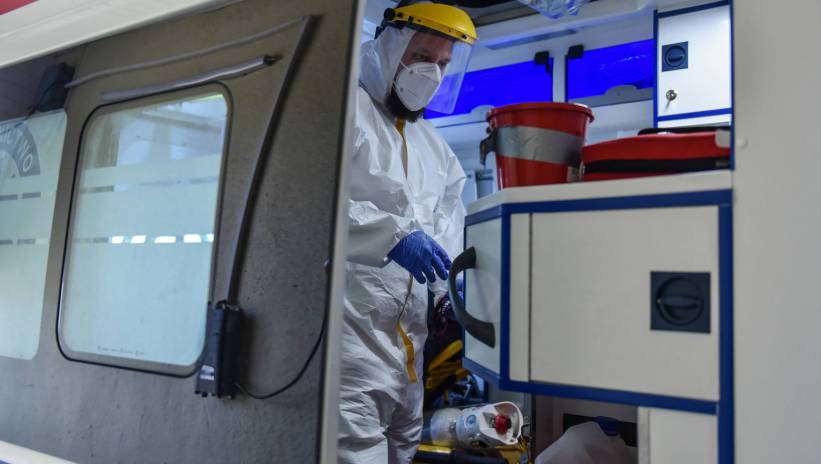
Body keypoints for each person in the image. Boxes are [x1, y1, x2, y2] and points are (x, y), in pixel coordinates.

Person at [338, 2, 477, 463]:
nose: (431, 73)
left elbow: (449, 230)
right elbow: (315, 202)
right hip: (351, 353)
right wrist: (390, 236)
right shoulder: (343, 113)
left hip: (411, 360)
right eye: (421, 56)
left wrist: (449, 290)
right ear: (388, 47)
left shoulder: (435, 150)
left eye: (442, 63)